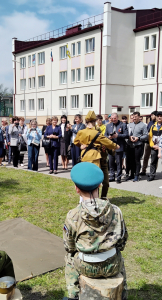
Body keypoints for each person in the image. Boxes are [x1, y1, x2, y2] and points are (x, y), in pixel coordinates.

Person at [63, 162, 128, 300]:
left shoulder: (73, 215)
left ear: (76, 189)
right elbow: (122, 242)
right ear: (99, 185)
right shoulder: (116, 210)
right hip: (112, 265)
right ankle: (123, 295)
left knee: (69, 258)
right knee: (119, 255)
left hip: (85, 266)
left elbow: (69, 246)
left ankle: (73, 295)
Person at [74, 111, 119, 199]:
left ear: (86, 121)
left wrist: (81, 146)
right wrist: (116, 146)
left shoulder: (81, 132)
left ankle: (85, 198)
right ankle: (96, 199)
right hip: (95, 157)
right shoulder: (97, 133)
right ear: (95, 121)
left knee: (85, 178)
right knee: (95, 179)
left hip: (85, 157)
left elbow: (75, 142)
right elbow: (108, 143)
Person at [105, 113, 128, 183]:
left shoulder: (123, 125)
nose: (113, 120)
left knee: (118, 163)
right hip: (111, 147)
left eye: (115, 118)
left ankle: (118, 177)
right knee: (111, 163)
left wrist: (118, 136)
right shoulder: (108, 126)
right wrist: (108, 137)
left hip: (119, 147)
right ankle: (112, 176)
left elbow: (126, 135)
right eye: (112, 118)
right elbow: (104, 135)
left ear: (117, 118)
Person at [126, 112, 149, 182]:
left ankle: (137, 175)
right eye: (133, 116)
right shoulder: (129, 125)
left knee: (137, 161)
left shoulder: (143, 125)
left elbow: (146, 135)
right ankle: (131, 174)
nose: (134, 118)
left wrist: (138, 138)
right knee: (131, 161)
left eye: (136, 116)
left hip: (138, 145)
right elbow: (126, 134)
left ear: (139, 117)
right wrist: (129, 138)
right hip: (130, 145)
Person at [147, 111, 162, 182]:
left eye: (161, 116)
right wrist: (153, 145)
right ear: (156, 117)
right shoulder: (153, 126)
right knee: (153, 161)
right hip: (154, 147)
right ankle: (152, 175)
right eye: (158, 116)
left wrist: (161, 147)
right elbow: (150, 137)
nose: (159, 117)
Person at [140, 111, 157, 176]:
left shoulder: (158, 123)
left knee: (154, 158)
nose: (151, 117)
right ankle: (143, 171)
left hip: (154, 143)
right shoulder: (150, 122)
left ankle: (152, 172)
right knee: (146, 157)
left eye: (153, 115)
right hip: (148, 142)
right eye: (151, 115)